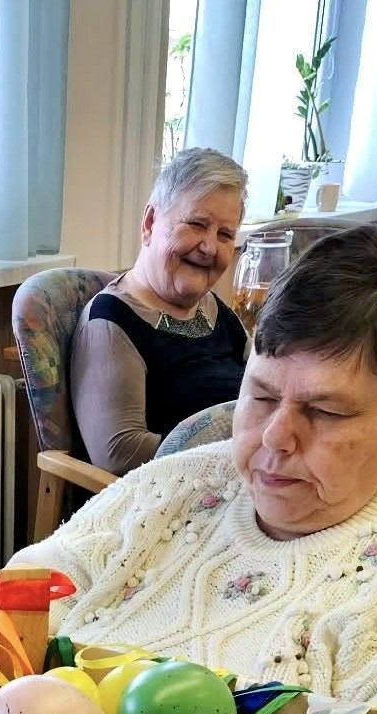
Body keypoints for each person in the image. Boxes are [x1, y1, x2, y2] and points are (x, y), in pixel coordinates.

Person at [11, 225, 377, 714]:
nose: (275, 437)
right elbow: (34, 581)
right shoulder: (181, 483)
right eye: (263, 396)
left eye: (325, 411)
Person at [70, 148, 248, 475]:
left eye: (225, 234)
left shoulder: (217, 311)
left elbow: (266, 388)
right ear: (150, 222)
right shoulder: (111, 322)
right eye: (197, 224)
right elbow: (119, 454)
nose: (209, 247)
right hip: (169, 495)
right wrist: (242, 447)